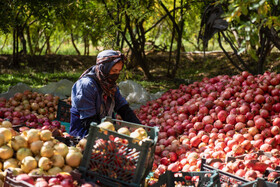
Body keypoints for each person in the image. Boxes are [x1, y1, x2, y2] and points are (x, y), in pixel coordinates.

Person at [69, 49, 141, 138]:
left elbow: (123, 108)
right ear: (104, 67)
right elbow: (88, 121)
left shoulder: (110, 85)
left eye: (119, 71)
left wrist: (139, 128)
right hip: (84, 133)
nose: (117, 74)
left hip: (104, 130)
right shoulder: (87, 85)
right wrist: (107, 136)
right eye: (114, 71)